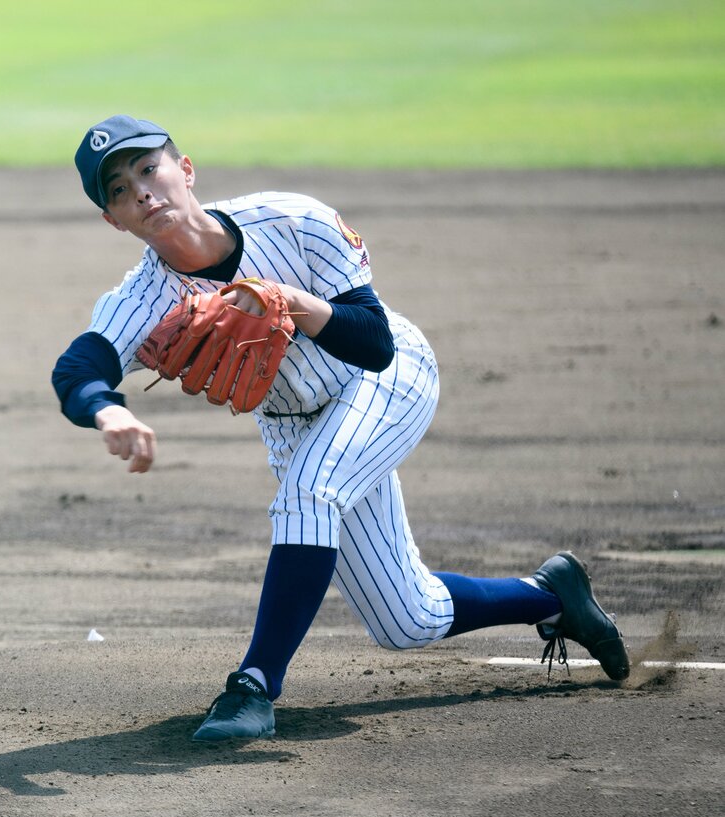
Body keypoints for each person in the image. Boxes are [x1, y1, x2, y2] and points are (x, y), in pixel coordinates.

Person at [51, 114, 630, 742]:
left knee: (308, 494)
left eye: (147, 168)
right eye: (117, 190)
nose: (139, 190)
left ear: (184, 170)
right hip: (295, 423)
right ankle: (552, 595)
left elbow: (374, 342)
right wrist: (109, 410)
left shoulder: (294, 221)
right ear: (115, 220)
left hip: (385, 380)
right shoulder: (142, 297)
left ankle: (253, 687)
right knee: (407, 620)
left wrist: (293, 302)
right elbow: (79, 366)